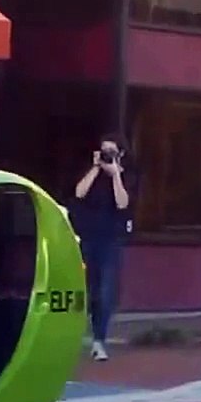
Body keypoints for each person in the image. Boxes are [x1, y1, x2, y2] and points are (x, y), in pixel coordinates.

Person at [73, 133, 138, 361]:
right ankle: (86, 331)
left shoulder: (128, 175)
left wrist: (115, 175)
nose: (106, 155)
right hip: (89, 237)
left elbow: (122, 203)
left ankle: (99, 339)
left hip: (111, 240)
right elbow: (79, 193)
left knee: (105, 291)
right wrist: (95, 167)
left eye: (111, 152)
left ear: (121, 153)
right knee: (87, 289)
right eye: (104, 151)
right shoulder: (93, 173)